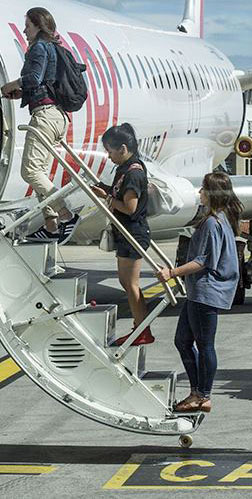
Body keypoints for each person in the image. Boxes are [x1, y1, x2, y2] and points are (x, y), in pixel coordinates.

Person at [156, 171, 241, 412]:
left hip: (206, 292)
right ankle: (197, 391)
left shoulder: (213, 223)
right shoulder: (218, 219)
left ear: (212, 193)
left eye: (203, 188)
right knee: (182, 341)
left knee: (205, 345)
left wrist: (172, 273)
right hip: (198, 292)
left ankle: (203, 395)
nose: (200, 192)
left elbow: (203, 261)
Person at [1, 7, 80, 244]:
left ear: (38, 26)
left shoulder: (38, 47)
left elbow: (34, 78)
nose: (24, 30)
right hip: (57, 116)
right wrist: (22, 94)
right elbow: (44, 83)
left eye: (28, 25)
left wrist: (11, 85)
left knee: (30, 172)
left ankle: (66, 215)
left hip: (45, 116)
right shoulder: (54, 47)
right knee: (41, 174)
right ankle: (51, 225)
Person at [94, 124, 153, 344]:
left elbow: (130, 207)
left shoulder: (133, 173)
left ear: (123, 149)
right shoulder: (124, 168)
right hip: (126, 233)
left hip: (133, 233)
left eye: (110, 151)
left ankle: (142, 330)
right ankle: (140, 327)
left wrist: (107, 198)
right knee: (126, 282)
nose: (108, 156)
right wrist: (104, 189)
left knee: (131, 284)